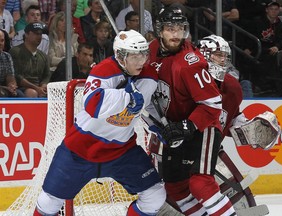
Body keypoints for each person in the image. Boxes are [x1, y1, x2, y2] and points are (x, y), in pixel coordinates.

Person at [33, 30, 166, 216]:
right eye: (134, 56)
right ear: (120, 56)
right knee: (48, 203)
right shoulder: (103, 70)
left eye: (144, 54)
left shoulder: (149, 76)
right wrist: (126, 96)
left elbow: (150, 104)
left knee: (155, 195)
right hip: (81, 149)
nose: (141, 61)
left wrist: (160, 125)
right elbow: (92, 105)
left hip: (122, 151)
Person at [147, 5, 236, 216]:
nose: (176, 34)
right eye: (170, 28)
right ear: (159, 30)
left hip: (202, 127)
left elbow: (213, 104)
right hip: (175, 128)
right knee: (175, 188)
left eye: (180, 28)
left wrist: (187, 125)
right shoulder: (150, 50)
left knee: (200, 183)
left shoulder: (190, 63)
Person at [9, 22, 50, 97]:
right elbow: (17, 76)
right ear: (26, 34)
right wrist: (36, 88)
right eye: (36, 33)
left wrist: (43, 86)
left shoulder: (43, 56)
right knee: (32, 93)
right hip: (20, 88)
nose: (39, 36)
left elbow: (46, 76)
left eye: (40, 34)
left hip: (39, 88)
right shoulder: (15, 51)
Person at [0, 29, 24, 97]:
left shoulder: (7, 56)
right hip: (2, 89)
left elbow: (11, 78)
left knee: (19, 94)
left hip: (4, 88)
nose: (0, 43)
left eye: (2, 40)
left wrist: (11, 86)